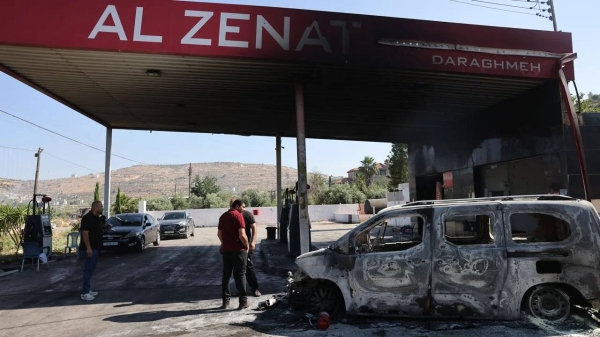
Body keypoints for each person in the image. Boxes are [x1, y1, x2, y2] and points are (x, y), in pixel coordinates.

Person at [218, 199, 250, 310]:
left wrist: (223, 243)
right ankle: (243, 302)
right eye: (243, 206)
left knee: (226, 276)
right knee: (240, 275)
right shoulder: (238, 216)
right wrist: (247, 246)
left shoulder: (223, 216)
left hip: (227, 251)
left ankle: (225, 302)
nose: (244, 209)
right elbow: (242, 235)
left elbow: (219, 234)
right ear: (237, 206)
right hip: (239, 251)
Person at [79, 201, 104, 301]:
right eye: (101, 206)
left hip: (96, 248)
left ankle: (88, 290)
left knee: (91, 269)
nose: (102, 208)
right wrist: (88, 248)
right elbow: (85, 233)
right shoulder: (87, 218)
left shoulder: (96, 218)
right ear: (96, 207)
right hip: (90, 249)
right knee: (88, 270)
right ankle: (85, 293)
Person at [241, 202, 261, 297]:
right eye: (242, 207)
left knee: (249, 266)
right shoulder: (231, 215)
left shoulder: (247, 214)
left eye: (244, 207)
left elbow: (254, 227)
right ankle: (241, 290)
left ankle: (255, 288)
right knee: (237, 270)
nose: (243, 208)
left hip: (246, 247)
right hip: (234, 248)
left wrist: (252, 241)